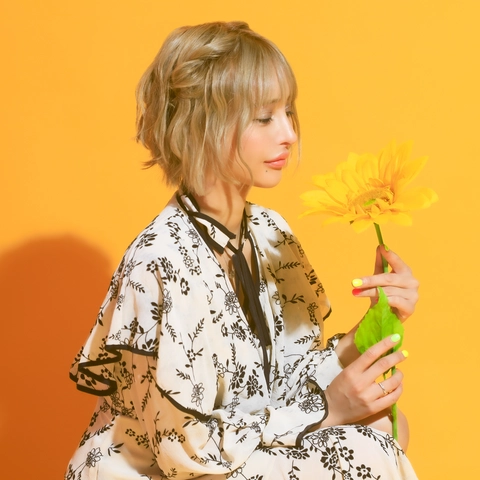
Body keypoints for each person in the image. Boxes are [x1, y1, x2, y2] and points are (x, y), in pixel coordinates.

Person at [65, 21, 419, 480]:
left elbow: (283, 383)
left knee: (387, 429)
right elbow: (185, 451)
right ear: (201, 126)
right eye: (264, 117)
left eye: (288, 111)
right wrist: (327, 408)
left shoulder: (270, 233)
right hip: (162, 471)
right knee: (369, 451)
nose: (289, 134)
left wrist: (377, 320)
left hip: (230, 459)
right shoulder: (159, 261)